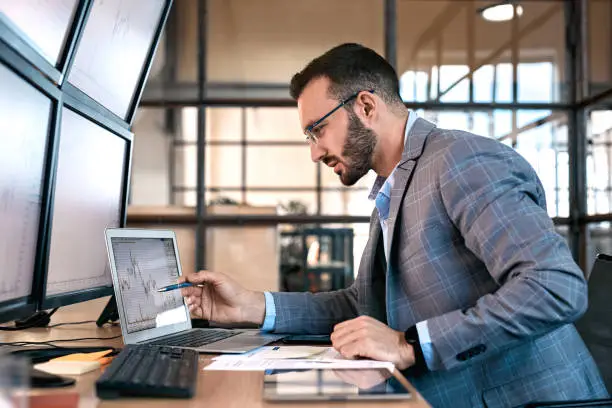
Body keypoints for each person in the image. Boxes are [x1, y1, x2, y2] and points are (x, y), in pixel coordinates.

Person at [180, 43, 609, 407]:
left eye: (318, 130)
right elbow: (363, 306)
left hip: (528, 399)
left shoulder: (461, 161)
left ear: (365, 106)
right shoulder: (395, 184)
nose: (314, 152)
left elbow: (554, 286)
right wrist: (254, 306)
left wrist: (410, 345)